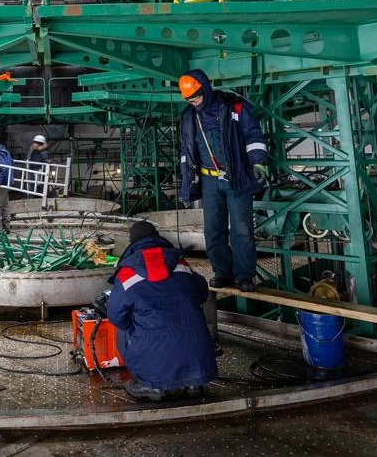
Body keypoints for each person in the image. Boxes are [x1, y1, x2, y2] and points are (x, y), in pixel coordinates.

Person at [176, 69, 268, 291]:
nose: (193, 102)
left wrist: (258, 163)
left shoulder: (233, 107)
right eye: (189, 99)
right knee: (213, 230)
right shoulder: (188, 117)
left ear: (205, 89)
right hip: (209, 182)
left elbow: (253, 135)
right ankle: (222, 272)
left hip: (236, 177)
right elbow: (186, 154)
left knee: (242, 230)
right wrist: (186, 185)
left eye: (196, 97)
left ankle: (244, 276)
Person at [104, 220, 217, 401]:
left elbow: (115, 316)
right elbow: (202, 293)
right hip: (197, 350)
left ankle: (152, 385)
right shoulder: (181, 264)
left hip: (152, 348)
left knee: (123, 329)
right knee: (188, 318)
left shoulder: (128, 273)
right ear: (157, 237)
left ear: (132, 243)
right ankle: (194, 383)